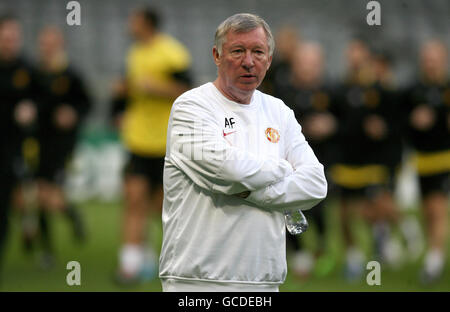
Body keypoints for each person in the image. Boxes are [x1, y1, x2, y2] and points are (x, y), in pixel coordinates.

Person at [159, 13, 327, 292]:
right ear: (216, 55)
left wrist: (244, 190)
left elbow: (315, 184)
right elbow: (225, 169)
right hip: (198, 280)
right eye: (238, 51)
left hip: (264, 280)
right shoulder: (190, 107)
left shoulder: (279, 112)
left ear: (269, 60)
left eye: (258, 52)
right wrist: (283, 169)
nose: (249, 61)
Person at [114, 7, 193, 284]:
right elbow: (129, 88)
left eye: (134, 20)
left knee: (162, 208)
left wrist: (156, 87)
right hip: (137, 139)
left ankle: (169, 262)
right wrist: (120, 105)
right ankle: (130, 266)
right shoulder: (134, 53)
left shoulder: (173, 53)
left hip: (165, 142)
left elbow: (188, 91)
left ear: (146, 24)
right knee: (133, 199)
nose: (129, 25)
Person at [331, 39, 404, 280]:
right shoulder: (340, 88)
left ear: (366, 56)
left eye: (357, 51)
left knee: (372, 209)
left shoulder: (380, 89)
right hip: (345, 159)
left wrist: (383, 128)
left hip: (372, 161)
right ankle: (354, 256)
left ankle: (386, 240)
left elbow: (396, 124)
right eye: (350, 51)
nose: (353, 56)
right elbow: (335, 120)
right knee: (343, 213)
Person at [273, 42, 339, 278]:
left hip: (324, 159)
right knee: (288, 204)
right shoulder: (282, 93)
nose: (308, 68)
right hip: (290, 162)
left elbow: (347, 122)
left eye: (313, 63)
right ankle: (299, 253)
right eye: (303, 63)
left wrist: (332, 124)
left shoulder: (332, 91)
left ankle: (322, 249)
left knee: (320, 206)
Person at [28, 26, 91, 266]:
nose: (47, 47)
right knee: (38, 196)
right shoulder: (33, 73)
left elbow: (86, 103)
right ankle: (69, 216)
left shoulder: (70, 74)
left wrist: (72, 112)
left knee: (43, 193)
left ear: (60, 45)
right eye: (43, 43)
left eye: (51, 43)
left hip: (61, 145)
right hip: (36, 142)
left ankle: (46, 249)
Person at [401, 40, 449, 284]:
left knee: (437, 208)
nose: (430, 63)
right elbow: (401, 124)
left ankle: (434, 259)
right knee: (427, 211)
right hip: (421, 161)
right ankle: (434, 251)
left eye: (434, 58)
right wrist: (413, 120)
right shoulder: (414, 90)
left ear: (442, 60)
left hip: (445, 158)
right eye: (427, 59)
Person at [0, 13, 40, 274]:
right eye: (6, 36)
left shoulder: (27, 70)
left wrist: (32, 109)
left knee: (4, 205)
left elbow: (42, 104)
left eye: (14, 37)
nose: (10, 41)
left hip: (10, 150)